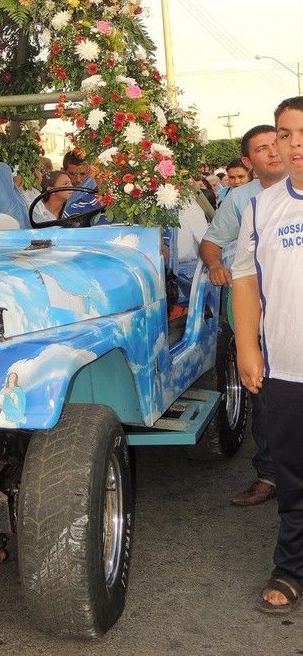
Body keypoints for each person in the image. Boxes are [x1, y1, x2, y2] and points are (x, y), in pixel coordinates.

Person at [232, 96, 303, 613]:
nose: (294, 143)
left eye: (302, 132)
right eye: (285, 133)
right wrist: (245, 348)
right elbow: (244, 279)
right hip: (286, 369)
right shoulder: (261, 206)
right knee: (292, 475)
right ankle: (291, 567)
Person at [199, 123, 286, 507]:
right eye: (262, 149)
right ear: (249, 162)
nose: (272, 152)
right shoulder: (242, 200)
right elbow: (211, 243)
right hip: (256, 310)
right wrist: (217, 265)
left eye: (277, 143)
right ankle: (268, 475)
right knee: (265, 395)